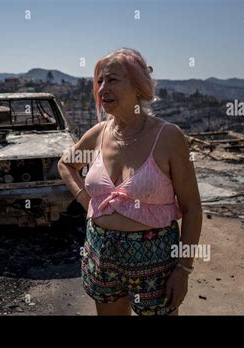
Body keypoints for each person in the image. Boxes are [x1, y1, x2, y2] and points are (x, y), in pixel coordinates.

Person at [58, 48, 202, 316]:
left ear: (138, 86)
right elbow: (65, 164)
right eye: (99, 81)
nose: (102, 88)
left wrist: (183, 269)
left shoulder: (168, 137)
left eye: (112, 80)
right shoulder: (98, 135)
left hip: (155, 262)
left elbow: (192, 208)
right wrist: (85, 199)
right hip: (100, 255)